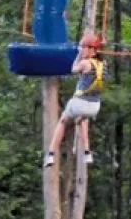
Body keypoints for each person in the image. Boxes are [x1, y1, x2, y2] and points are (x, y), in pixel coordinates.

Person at [44, 33, 107, 167]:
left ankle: (50, 154)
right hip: (94, 107)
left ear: (92, 49)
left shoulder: (84, 63)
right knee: (81, 120)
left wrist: (78, 55)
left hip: (79, 103)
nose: (83, 50)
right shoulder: (103, 64)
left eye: (84, 47)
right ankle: (87, 152)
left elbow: (73, 69)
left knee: (62, 121)